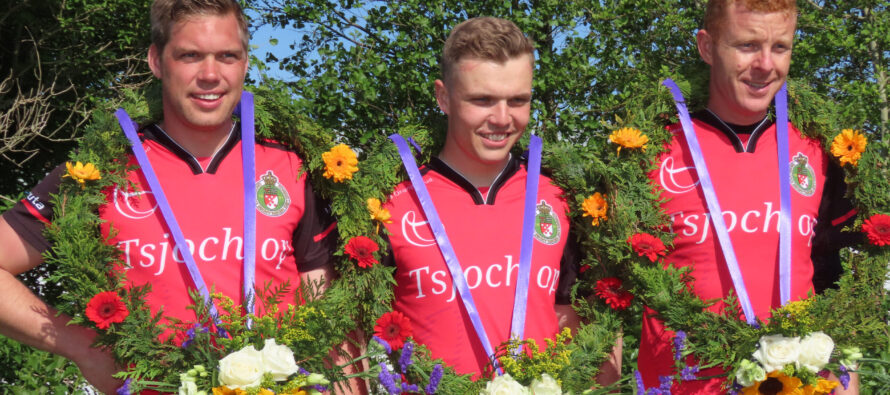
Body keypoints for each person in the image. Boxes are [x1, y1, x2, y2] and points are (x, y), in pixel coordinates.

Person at [0, 0, 338, 393]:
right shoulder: (98, 172)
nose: (210, 74)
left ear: (245, 63)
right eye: (190, 55)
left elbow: (327, 306)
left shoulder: (291, 166)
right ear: (157, 61)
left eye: (227, 56)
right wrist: (84, 347)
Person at [381, 17, 621, 383]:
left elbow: (583, 323)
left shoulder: (562, 197)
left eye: (518, 100)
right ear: (443, 97)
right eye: (482, 100)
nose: (502, 118)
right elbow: (354, 336)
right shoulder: (391, 201)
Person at [638, 0, 859, 393]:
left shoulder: (819, 152)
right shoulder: (648, 153)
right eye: (746, 46)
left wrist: (847, 384)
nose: (765, 64)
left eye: (780, 47)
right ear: (706, 47)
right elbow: (608, 296)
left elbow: (835, 288)